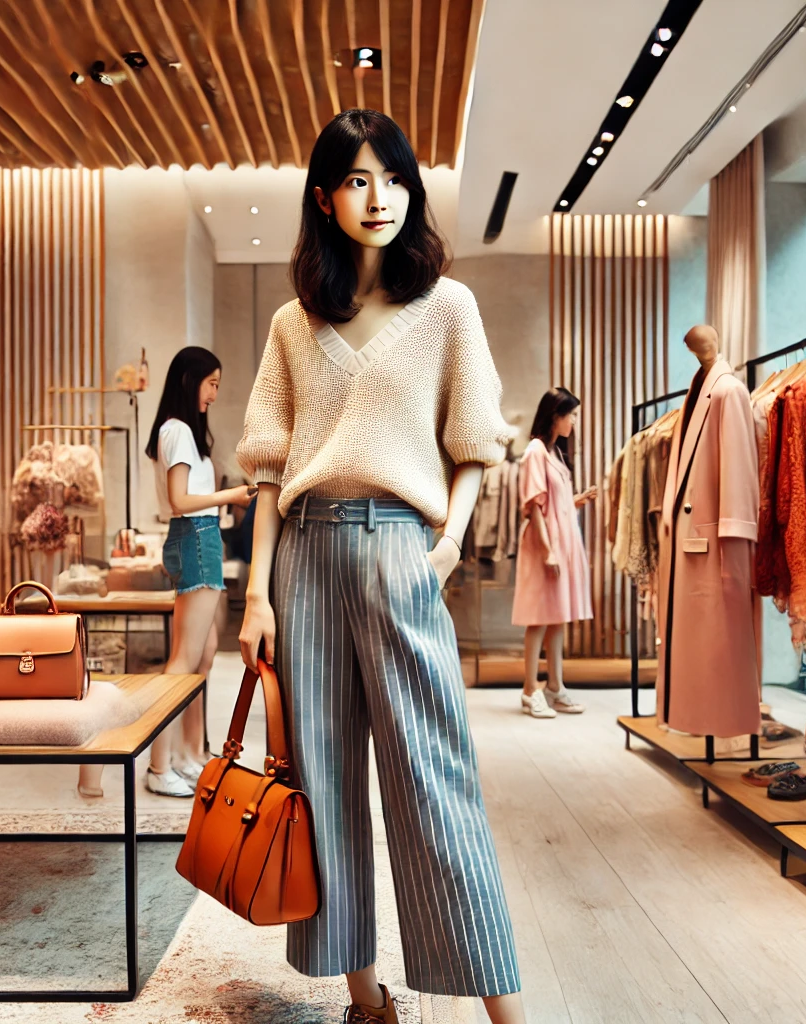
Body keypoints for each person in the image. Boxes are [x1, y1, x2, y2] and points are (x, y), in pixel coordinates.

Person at [237, 109, 526, 1024]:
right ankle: (366, 999)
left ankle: (503, 1010)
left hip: (404, 547)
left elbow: (476, 445)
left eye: (394, 178)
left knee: (433, 777)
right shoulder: (293, 324)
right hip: (307, 556)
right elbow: (270, 470)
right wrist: (255, 594)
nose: (379, 197)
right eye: (358, 180)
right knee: (319, 777)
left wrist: (441, 552)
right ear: (324, 197)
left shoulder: (448, 307)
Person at [139, 346, 251, 798]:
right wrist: (232, 496)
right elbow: (182, 502)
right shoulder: (179, 431)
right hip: (196, 534)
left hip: (196, 537)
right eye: (212, 384)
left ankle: (188, 755)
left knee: (201, 656)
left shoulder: (176, 432)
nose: (215, 394)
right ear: (190, 382)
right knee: (184, 660)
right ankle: (159, 765)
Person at [512, 387, 596, 718]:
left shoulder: (554, 453)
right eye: (572, 415)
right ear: (556, 416)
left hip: (561, 540)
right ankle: (530, 689)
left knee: (557, 616)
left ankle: (555, 685)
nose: (574, 422)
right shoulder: (535, 451)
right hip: (544, 545)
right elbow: (533, 507)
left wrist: (578, 499)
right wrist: (548, 551)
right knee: (539, 617)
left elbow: (554, 504)